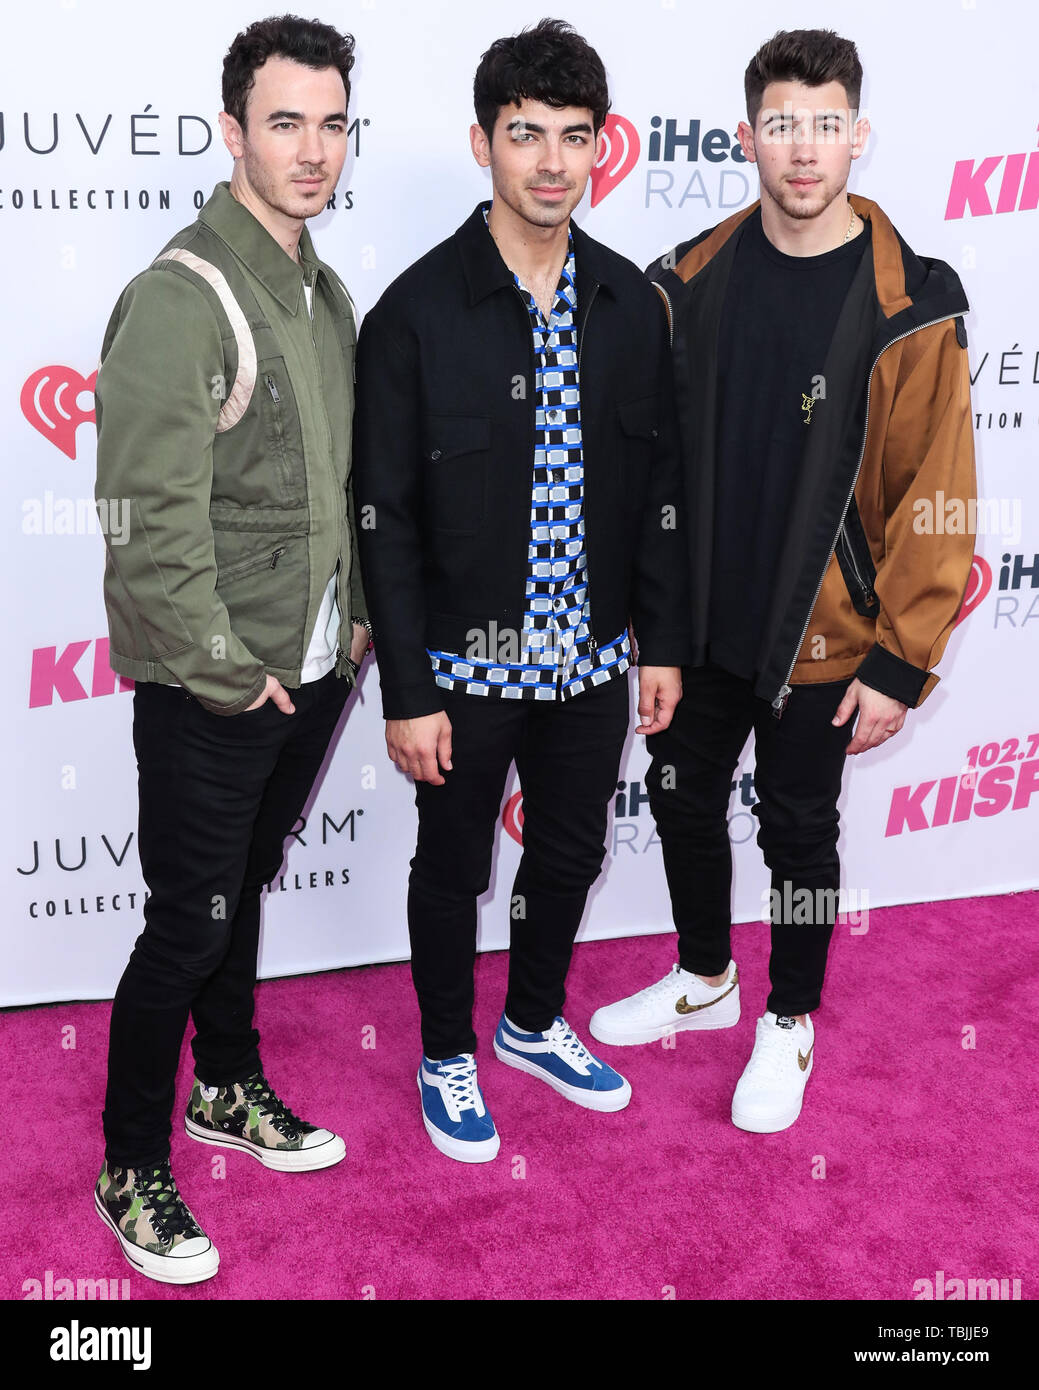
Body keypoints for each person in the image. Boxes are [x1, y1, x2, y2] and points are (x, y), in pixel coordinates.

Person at [590, 28, 976, 1133]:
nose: (801, 149)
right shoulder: (688, 280)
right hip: (704, 616)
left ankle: (790, 1013)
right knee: (678, 799)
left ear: (857, 135)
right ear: (746, 136)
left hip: (830, 632)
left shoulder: (913, 301)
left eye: (823, 124)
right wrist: (651, 625)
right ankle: (705, 974)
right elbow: (650, 467)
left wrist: (899, 663)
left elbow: (934, 494)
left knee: (800, 836)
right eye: (780, 125)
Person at [353, 19, 688, 1163]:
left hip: (591, 661)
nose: (550, 161)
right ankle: (447, 1049)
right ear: (482, 142)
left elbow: (659, 490)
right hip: (459, 667)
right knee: (452, 867)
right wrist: (406, 688)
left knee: (568, 856)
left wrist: (661, 644)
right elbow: (383, 517)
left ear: (602, 147)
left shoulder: (632, 309)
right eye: (524, 135)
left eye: (572, 137)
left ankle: (532, 1022)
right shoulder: (414, 313)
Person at [92, 15, 370, 1283]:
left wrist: (352, 627)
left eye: (329, 123)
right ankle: (130, 1163)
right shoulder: (179, 294)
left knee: (234, 898)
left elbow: (337, 484)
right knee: (186, 924)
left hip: (310, 672)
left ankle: (230, 1087)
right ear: (232, 132)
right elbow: (147, 525)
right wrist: (223, 669)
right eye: (284, 122)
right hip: (219, 684)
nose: (311, 150)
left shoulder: (324, 292)